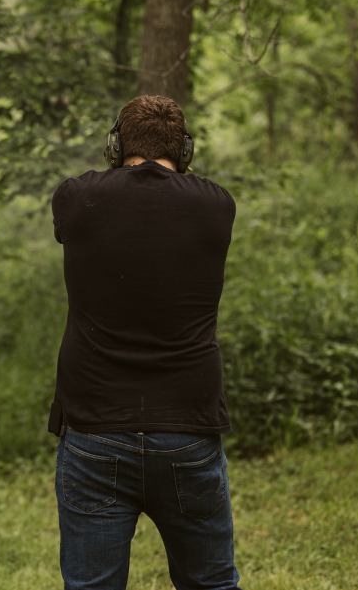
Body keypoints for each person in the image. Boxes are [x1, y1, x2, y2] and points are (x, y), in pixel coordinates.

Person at [49, 95, 241, 590]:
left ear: (115, 146)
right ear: (186, 150)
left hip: (94, 426)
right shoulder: (216, 205)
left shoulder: (76, 198)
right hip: (188, 427)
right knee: (212, 584)